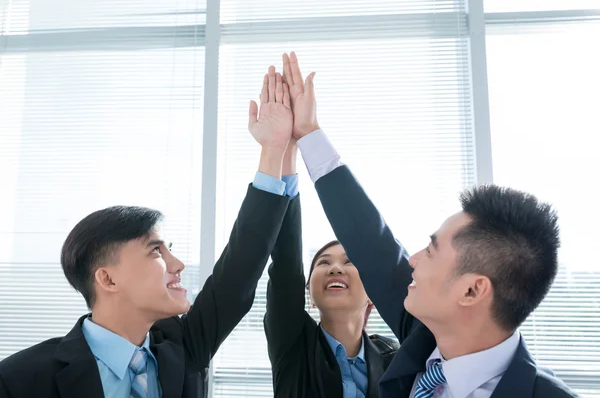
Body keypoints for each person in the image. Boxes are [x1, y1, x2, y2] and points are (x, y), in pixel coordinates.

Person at [279, 51, 577, 398]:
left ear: (472, 290)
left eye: (432, 252)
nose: (413, 259)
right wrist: (308, 134)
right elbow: (371, 243)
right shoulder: (423, 342)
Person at [0, 66, 296, 398]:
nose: (178, 263)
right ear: (108, 279)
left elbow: (240, 271)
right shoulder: (19, 380)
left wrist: (274, 151)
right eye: (156, 251)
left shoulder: (182, 348)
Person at [260, 74, 399, 396]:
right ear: (308, 291)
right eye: (323, 262)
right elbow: (285, 267)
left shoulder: (396, 355)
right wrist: (287, 148)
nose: (335, 267)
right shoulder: (292, 342)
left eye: (350, 261)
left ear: (374, 295)